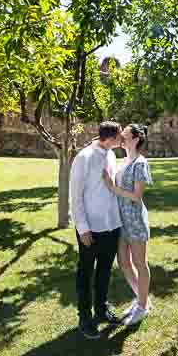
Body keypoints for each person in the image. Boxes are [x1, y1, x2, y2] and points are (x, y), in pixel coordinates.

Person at [69, 121, 124, 339]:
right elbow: (76, 196)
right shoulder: (84, 157)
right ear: (110, 137)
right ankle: (85, 318)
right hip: (90, 229)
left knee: (104, 271)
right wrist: (82, 229)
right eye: (120, 136)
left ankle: (101, 310)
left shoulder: (111, 154)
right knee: (85, 273)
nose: (122, 140)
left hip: (112, 225)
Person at [103, 124, 154, 326]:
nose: (121, 136)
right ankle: (142, 298)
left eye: (124, 134)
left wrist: (113, 188)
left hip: (135, 220)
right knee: (124, 263)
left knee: (140, 264)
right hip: (120, 220)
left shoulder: (140, 163)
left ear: (134, 138)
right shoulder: (123, 161)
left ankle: (141, 307)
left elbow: (136, 195)